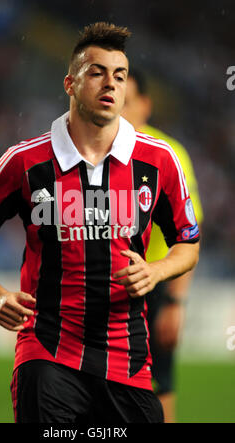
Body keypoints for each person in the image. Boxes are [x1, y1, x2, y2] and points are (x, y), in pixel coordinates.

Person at [0, 22, 200, 424]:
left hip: (128, 357)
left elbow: (188, 242)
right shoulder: (24, 162)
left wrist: (157, 271)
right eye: (97, 72)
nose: (111, 84)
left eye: (119, 76)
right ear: (70, 83)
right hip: (46, 350)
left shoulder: (159, 160)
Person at [121, 69, 203, 422]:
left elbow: (189, 235)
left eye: (127, 102)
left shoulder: (169, 155)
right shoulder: (93, 153)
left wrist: (174, 302)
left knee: (158, 385)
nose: (118, 111)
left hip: (155, 285)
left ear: (145, 105)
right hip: (108, 284)